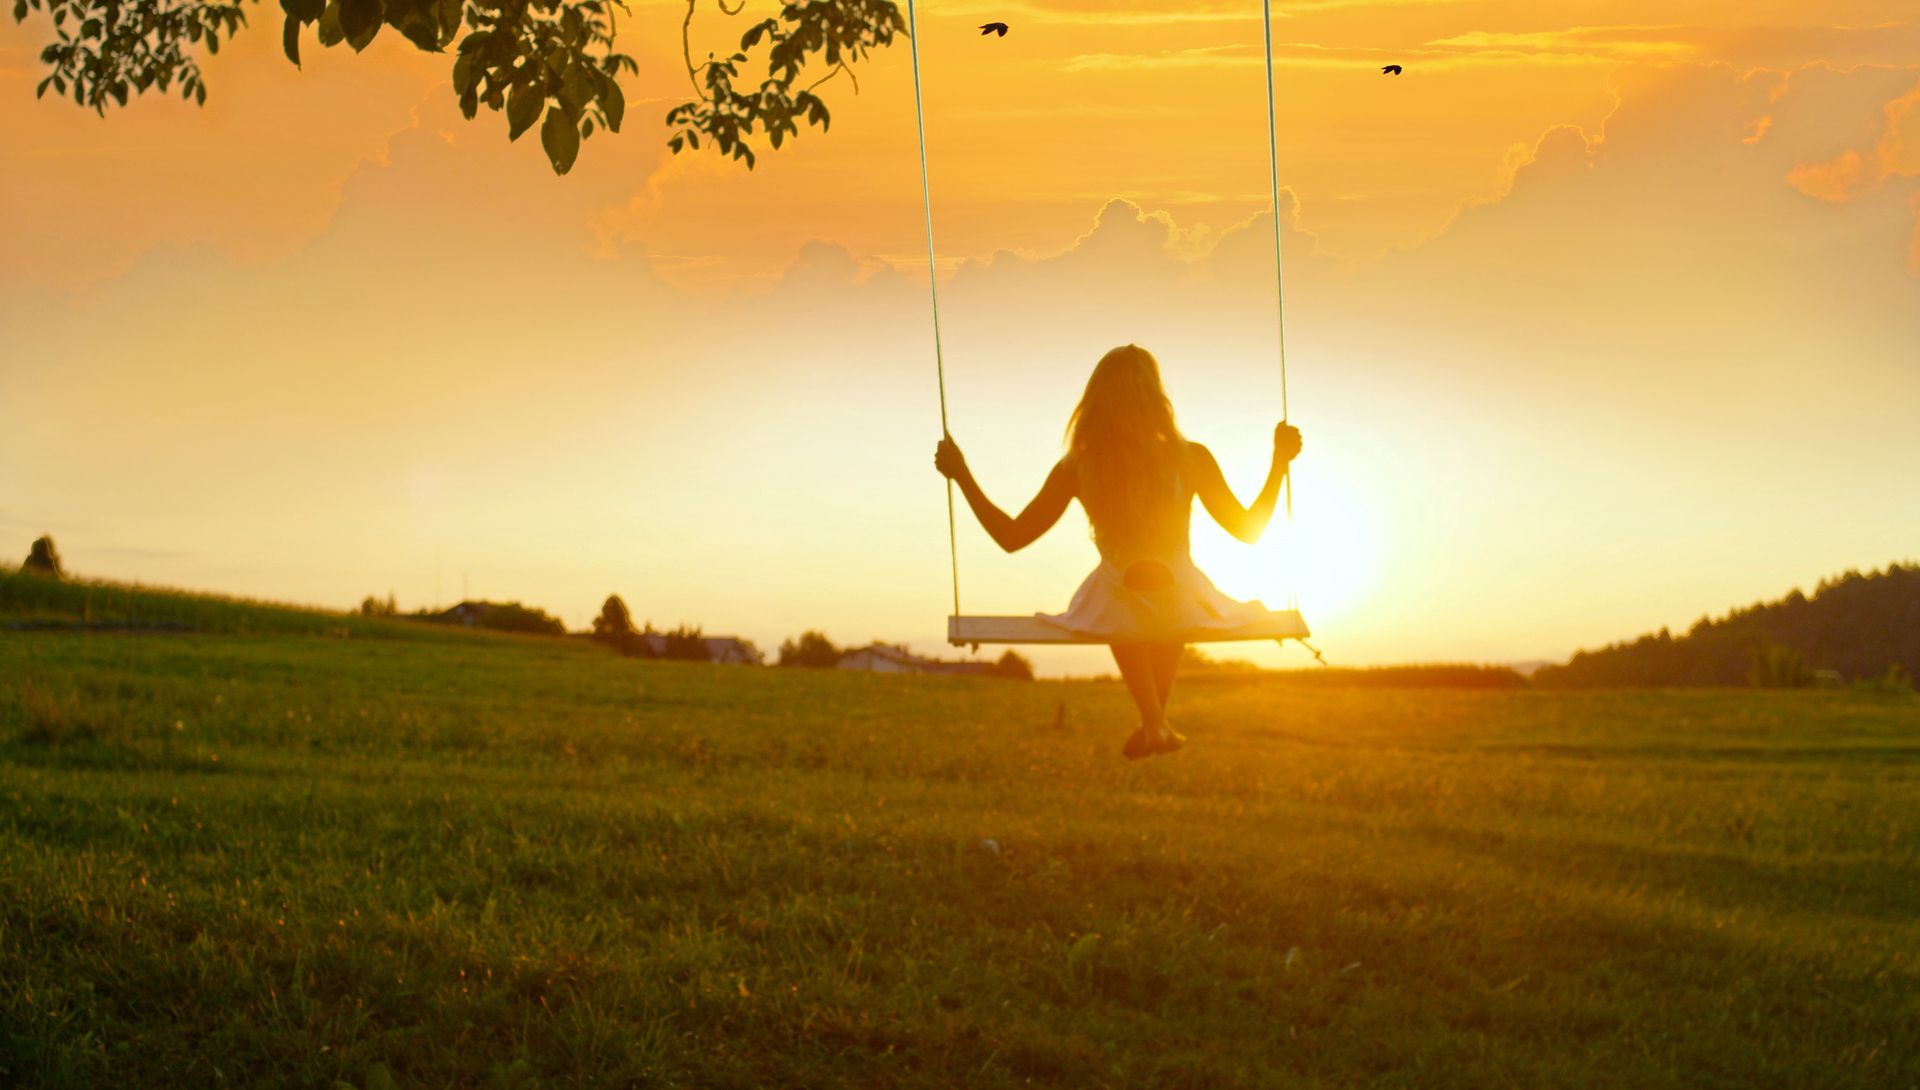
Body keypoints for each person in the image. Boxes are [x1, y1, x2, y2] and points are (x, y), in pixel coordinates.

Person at [934, 343, 1303, 759]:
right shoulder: (1191, 459)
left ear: (1095, 404)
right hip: (1180, 602)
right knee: (1168, 600)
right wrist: (1279, 462)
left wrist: (962, 474)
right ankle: (1154, 724)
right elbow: (1249, 530)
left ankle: (1154, 724)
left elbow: (1012, 536)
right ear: (1157, 399)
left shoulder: (1077, 466)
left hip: (1114, 604)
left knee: (1121, 600)